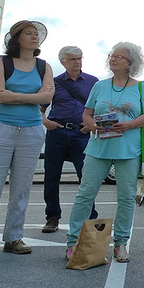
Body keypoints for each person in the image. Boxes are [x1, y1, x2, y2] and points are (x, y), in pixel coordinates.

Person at [0, 20, 55, 258]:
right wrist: (32, 97)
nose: (34, 36)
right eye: (29, 33)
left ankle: (14, 237)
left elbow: (48, 95)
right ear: (17, 38)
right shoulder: (2, 62)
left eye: (36, 33)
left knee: (21, 188)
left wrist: (15, 95)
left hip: (31, 130)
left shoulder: (43, 66)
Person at [66, 42, 144, 263]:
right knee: (85, 194)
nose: (113, 59)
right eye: (111, 55)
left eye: (119, 56)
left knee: (126, 198)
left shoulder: (141, 87)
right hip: (98, 147)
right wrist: (92, 124)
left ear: (130, 63)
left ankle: (120, 243)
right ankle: (73, 242)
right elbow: (86, 115)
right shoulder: (99, 86)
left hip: (128, 149)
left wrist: (129, 124)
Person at [41, 46, 99, 233]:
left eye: (80, 58)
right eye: (73, 59)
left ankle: (90, 217)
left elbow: (101, 109)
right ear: (63, 61)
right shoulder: (53, 82)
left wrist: (91, 125)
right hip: (57, 132)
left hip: (81, 134)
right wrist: (46, 122)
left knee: (86, 176)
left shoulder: (92, 82)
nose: (78, 62)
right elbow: (40, 109)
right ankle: (52, 217)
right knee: (51, 175)